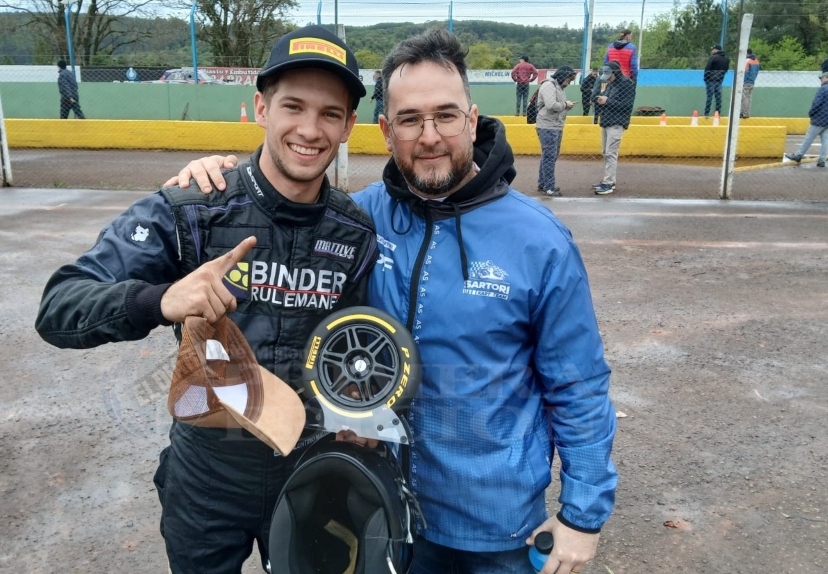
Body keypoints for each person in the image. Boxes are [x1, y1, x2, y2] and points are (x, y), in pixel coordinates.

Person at [169, 29, 619, 574]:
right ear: (386, 131)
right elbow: (273, 210)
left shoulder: (538, 241)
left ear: (472, 120)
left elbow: (578, 385)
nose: (429, 136)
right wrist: (215, 178)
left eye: (445, 116)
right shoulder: (354, 222)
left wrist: (582, 515)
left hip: (494, 530)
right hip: (370, 507)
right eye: (409, 120)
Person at [35, 25, 379, 574]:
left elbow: (356, 349)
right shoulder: (192, 207)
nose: (310, 130)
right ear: (261, 108)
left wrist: (358, 408)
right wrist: (159, 299)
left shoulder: (355, 232)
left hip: (311, 473)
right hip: (206, 474)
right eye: (293, 106)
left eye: (329, 114)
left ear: (348, 126)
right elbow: (59, 306)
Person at [592, 61, 636, 195]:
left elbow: (627, 105)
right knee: (606, 152)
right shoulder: (611, 84)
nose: (608, 79)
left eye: (609, 76)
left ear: (615, 73)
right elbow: (606, 99)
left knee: (611, 153)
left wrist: (607, 101)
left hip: (617, 122)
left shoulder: (626, 84)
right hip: (607, 121)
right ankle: (608, 180)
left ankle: (609, 183)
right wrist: (600, 99)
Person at [785, 71, 828, 168]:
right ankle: (822, 160)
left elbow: (817, 103)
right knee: (825, 140)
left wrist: (812, 113)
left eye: (822, 78)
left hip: (819, 118)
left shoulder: (823, 89)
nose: (821, 79)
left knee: (809, 137)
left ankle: (799, 155)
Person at [536, 66, 577, 197]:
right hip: (548, 126)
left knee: (549, 156)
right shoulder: (549, 85)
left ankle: (543, 184)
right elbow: (551, 105)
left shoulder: (558, 87)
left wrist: (565, 105)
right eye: (568, 80)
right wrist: (565, 104)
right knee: (549, 156)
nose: (568, 83)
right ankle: (549, 187)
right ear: (562, 76)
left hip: (555, 125)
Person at [704, 44, 729, 118]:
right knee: (718, 97)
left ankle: (706, 113)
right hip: (719, 80)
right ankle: (717, 113)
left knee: (709, 97)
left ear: (716, 50)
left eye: (713, 49)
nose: (712, 50)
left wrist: (706, 78)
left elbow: (707, 68)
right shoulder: (726, 59)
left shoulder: (713, 57)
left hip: (710, 80)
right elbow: (726, 70)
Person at [741, 48, 760, 119]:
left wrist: (743, 81)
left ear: (746, 53)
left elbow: (745, 72)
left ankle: (744, 113)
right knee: (749, 97)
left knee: (744, 98)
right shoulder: (756, 61)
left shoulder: (747, 61)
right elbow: (757, 72)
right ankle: (747, 112)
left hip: (746, 82)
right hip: (752, 82)